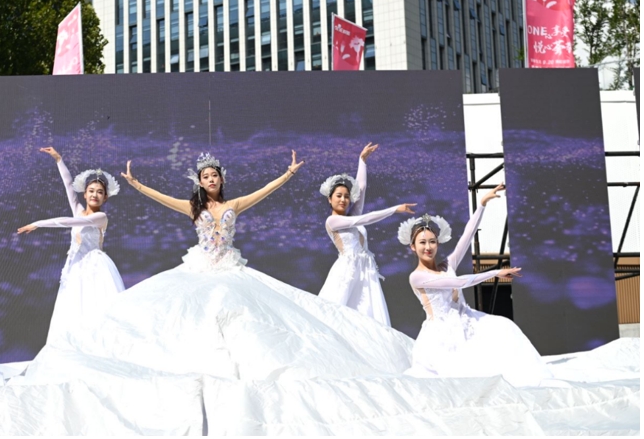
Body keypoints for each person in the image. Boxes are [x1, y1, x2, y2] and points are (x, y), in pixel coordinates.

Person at [46, 151, 416, 383]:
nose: (211, 180)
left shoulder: (233, 204)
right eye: (205, 176)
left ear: (221, 179)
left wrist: (288, 174)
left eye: (215, 176)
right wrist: (137, 184)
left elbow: (263, 192)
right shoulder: (193, 207)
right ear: (200, 181)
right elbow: (162, 198)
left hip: (231, 269)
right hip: (199, 268)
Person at [402, 184, 553, 387]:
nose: (428, 247)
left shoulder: (447, 265)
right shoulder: (416, 277)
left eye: (432, 241)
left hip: (467, 319)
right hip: (442, 333)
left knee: (505, 326)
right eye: (422, 242)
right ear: (413, 246)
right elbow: (459, 282)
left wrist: (481, 204)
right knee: (465, 377)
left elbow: (468, 234)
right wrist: (495, 272)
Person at [17, 147, 125, 348]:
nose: (95, 195)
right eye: (91, 191)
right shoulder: (78, 210)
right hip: (75, 267)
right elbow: (68, 185)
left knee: (95, 307)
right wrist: (59, 160)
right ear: (85, 193)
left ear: (105, 197)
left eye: (100, 192)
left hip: (95, 268)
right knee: (73, 307)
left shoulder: (100, 217)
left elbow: (68, 222)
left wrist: (39, 223)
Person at [318, 143, 416, 325]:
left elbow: (361, 188)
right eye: (338, 195)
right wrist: (394, 209)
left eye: (346, 196)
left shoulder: (351, 215)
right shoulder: (332, 221)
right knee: (338, 314)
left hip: (365, 270)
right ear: (329, 199)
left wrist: (362, 161)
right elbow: (366, 218)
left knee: (368, 317)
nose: (343, 199)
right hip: (347, 270)